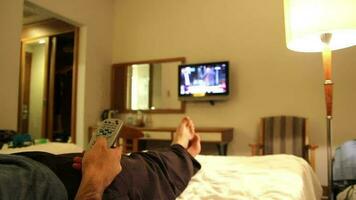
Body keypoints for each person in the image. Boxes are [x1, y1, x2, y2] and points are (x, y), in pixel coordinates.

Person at [1, 116, 201, 200]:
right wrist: (95, 180)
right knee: (144, 169)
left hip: (30, 164)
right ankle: (182, 151)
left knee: (123, 159)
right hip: (64, 184)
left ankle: (180, 151)